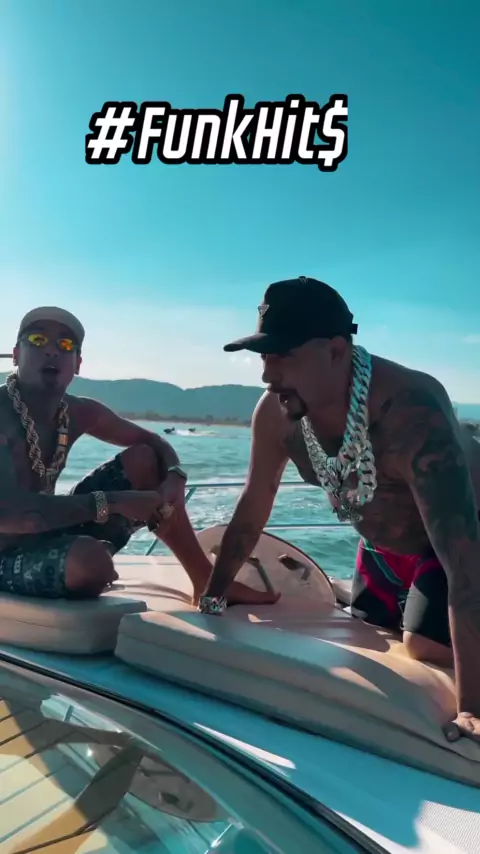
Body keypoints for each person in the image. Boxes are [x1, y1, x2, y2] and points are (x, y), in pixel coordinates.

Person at [198, 276, 480, 743]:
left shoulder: (412, 412)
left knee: (420, 643)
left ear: (335, 351)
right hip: (383, 547)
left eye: (282, 355)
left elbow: (465, 563)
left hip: (464, 539)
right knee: (368, 636)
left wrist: (473, 708)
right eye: (264, 357)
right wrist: (213, 598)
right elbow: (254, 503)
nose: (267, 375)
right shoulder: (276, 413)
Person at [0, 306, 279, 607]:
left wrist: (175, 475)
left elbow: (154, 442)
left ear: (77, 364)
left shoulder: (78, 412)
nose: (52, 350)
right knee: (90, 564)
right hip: (4, 550)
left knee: (146, 460)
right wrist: (116, 502)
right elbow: (13, 515)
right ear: (15, 354)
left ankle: (205, 581)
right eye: (37, 340)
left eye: (66, 344)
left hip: (45, 532)